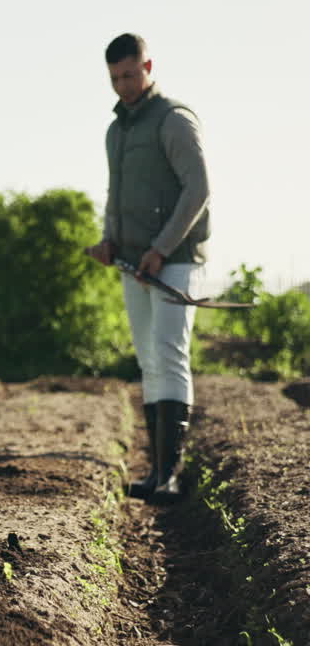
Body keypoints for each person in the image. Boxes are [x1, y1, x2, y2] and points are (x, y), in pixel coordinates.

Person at [85, 33, 211, 502]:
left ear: (148, 66)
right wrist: (108, 240)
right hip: (130, 263)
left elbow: (197, 189)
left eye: (130, 75)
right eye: (115, 78)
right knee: (148, 358)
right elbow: (115, 195)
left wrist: (161, 247)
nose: (123, 86)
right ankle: (156, 472)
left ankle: (172, 473)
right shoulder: (116, 130)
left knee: (169, 351)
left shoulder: (173, 120)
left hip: (174, 260)